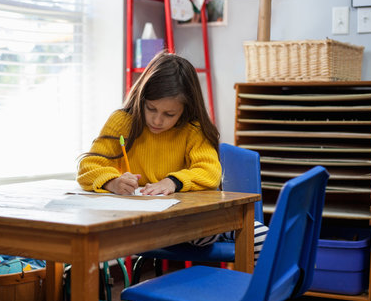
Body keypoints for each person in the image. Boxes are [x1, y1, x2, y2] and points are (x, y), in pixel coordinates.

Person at [77, 51, 267, 249]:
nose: (157, 120)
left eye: (169, 114)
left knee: (265, 240)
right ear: (141, 98)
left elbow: (210, 172)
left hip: (186, 221)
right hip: (141, 224)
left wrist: (174, 181)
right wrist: (112, 182)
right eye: (151, 108)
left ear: (185, 109)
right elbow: (87, 167)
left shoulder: (192, 129)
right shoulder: (122, 121)